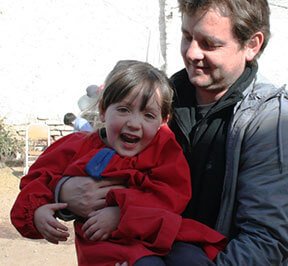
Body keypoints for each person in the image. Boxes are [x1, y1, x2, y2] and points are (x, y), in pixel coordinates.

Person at [52, 0, 288, 265]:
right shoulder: (158, 99)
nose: (192, 53)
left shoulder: (271, 122)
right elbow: (96, 162)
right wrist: (64, 190)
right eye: (187, 37)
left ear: (252, 45)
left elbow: (266, 240)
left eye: (209, 44)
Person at [10, 60, 226, 266]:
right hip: (109, 244)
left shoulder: (163, 149)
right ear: (103, 110)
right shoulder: (75, 147)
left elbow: (172, 196)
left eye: (148, 115)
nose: (134, 123)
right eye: (123, 109)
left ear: (163, 120)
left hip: (158, 232)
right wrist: (38, 211)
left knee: (193, 259)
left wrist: (122, 214)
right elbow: (38, 180)